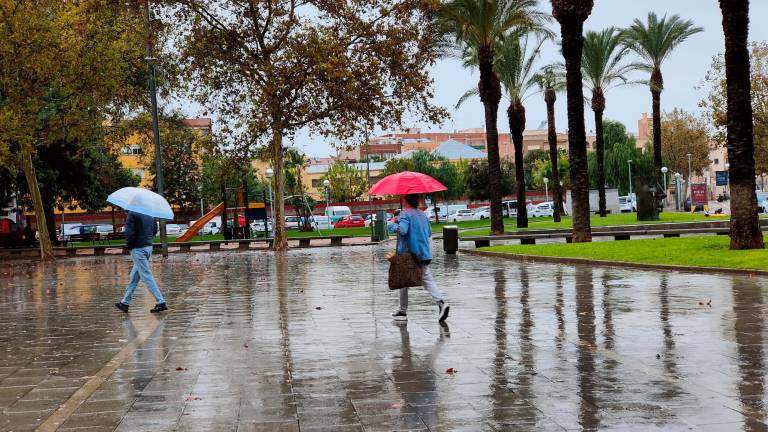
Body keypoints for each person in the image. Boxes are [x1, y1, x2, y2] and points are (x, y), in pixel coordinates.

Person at [391, 194, 449, 322]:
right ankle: (441, 303)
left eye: (403, 198)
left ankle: (402, 311)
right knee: (426, 279)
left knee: (403, 280)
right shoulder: (422, 215)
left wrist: (392, 225)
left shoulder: (405, 214)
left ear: (405, 200)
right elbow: (428, 232)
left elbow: (404, 231)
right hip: (423, 253)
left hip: (409, 254)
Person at [115, 211, 167, 313]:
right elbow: (155, 230)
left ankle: (160, 302)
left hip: (138, 248)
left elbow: (129, 233)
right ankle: (125, 302)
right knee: (134, 277)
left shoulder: (132, 213)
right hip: (148, 247)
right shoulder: (150, 213)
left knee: (146, 276)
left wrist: (130, 246)